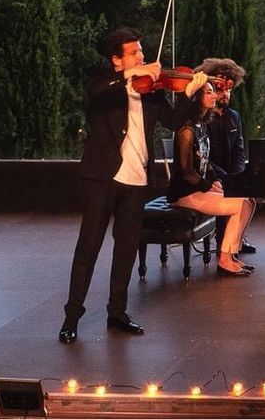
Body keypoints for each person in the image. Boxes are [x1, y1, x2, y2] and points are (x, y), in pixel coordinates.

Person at [60, 28, 208, 344]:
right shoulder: (105, 83)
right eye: (134, 53)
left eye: (142, 52)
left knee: (126, 249)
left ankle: (117, 313)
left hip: (137, 180)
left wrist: (189, 94)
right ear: (117, 59)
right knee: (88, 248)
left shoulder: (151, 90)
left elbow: (172, 122)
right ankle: (71, 317)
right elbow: (96, 91)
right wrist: (131, 73)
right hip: (103, 178)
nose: (143, 57)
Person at [168, 80, 256, 276]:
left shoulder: (201, 125)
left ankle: (231, 254)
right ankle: (224, 259)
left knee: (249, 200)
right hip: (185, 192)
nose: (215, 95)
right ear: (198, 98)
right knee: (240, 204)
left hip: (199, 188)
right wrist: (209, 187)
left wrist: (215, 180)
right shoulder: (186, 131)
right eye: (209, 92)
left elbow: (205, 161)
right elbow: (187, 172)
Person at [194, 57, 255, 254]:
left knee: (248, 191)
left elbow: (239, 150)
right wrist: (226, 179)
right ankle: (224, 247)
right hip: (206, 174)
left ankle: (236, 239)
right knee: (226, 190)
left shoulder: (234, 117)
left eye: (229, 89)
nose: (225, 94)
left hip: (228, 172)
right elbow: (202, 157)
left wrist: (238, 175)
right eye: (220, 89)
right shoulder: (202, 119)